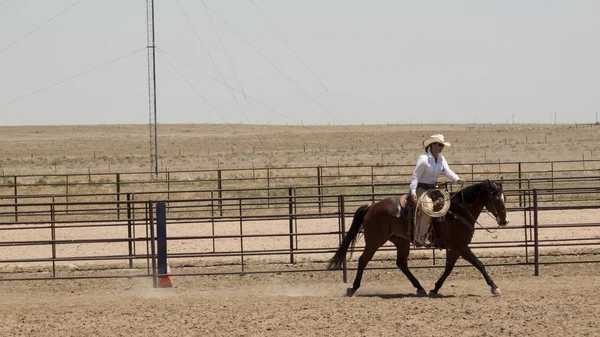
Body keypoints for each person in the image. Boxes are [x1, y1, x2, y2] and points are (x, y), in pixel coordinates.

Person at [409, 134, 464, 247]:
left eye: (442, 145)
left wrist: (457, 179)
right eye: (439, 144)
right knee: (428, 209)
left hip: (433, 189)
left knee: (447, 204)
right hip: (421, 188)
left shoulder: (441, 159)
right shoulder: (424, 159)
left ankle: (438, 234)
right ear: (432, 145)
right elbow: (415, 176)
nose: (441, 147)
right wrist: (413, 192)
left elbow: (447, 171)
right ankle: (420, 238)